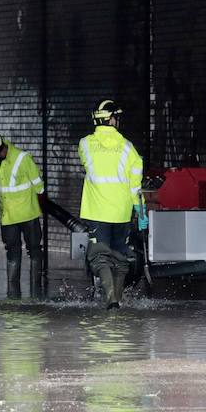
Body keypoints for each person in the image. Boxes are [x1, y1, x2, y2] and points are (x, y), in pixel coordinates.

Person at [78, 99, 146, 309]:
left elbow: (86, 165)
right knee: (120, 257)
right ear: (110, 119)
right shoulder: (128, 148)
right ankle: (117, 300)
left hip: (97, 211)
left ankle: (111, 300)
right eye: (116, 117)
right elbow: (136, 185)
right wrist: (140, 212)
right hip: (121, 212)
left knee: (100, 257)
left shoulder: (85, 144)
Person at [0, 131, 46, 298]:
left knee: (34, 250)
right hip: (8, 216)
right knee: (12, 252)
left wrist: (41, 209)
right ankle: (13, 292)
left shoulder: (23, 159)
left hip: (28, 215)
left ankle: (36, 290)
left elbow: (39, 188)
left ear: (0, 149)